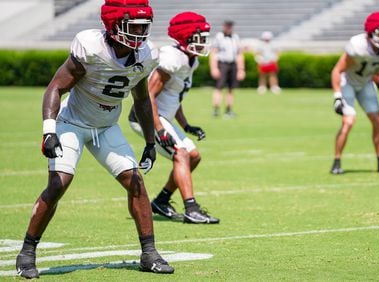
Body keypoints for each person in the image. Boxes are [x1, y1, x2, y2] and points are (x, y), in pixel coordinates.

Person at [15, 0, 176, 278]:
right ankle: (27, 253)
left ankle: (149, 253)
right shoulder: (91, 47)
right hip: (72, 123)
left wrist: (150, 143)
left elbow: (141, 101)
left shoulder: (145, 54)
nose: (140, 32)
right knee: (58, 184)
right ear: (114, 26)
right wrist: (49, 130)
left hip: (106, 127)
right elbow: (56, 87)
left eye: (143, 26)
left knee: (135, 182)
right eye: (134, 25)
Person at [129, 11, 219, 224]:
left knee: (193, 156)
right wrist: (159, 129)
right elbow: (149, 94)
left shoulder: (190, 59)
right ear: (187, 37)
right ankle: (191, 208)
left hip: (163, 117)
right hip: (146, 118)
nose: (204, 42)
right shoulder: (173, 57)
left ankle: (161, 200)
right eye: (200, 38)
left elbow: (174, 98)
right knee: (181, 154)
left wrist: (186, 125)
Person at [330, 11, 379, 174]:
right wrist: (337, 96)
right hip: (348, 83)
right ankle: (336, 162)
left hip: (366, 83)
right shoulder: (358, 45)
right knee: (348, 122)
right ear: (371, 31)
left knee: (377, 120)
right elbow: (337, 70)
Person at [209, 19, 246, 118]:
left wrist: (241, 69)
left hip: (232, 64)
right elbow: (213, 53)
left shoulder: (235, 37)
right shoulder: (219, 37)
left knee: (231, 89)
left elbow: (239, 54)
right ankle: (216, 110)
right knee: (219, 88)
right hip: (222, 64)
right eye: (227, 26)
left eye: (230, 26)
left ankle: (229, 110)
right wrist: (214, 68)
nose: (229, 28)